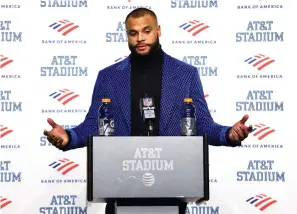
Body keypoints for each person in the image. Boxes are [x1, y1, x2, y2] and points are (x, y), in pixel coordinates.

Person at [44, 8, 252, 214]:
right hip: (122, 189)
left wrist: (228, 134)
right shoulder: (108, 77)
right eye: (133, 33)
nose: (140, 38)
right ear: (127, 35)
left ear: (158, 30)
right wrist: (68, 137)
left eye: (146, 31)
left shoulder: (186, 74)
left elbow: (201, 124)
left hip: (170, 189)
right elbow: (94, 125)